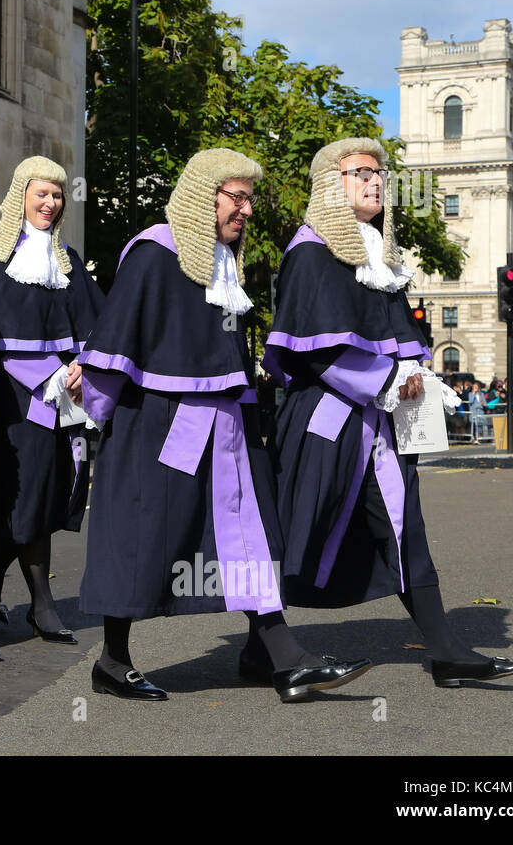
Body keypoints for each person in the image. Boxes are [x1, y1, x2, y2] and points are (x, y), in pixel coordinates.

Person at [78, 148, 369, 702]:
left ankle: (283, 657)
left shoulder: (222, 261)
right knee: (145, 539)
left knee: (249, 537)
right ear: (200, 196)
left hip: (229, 425)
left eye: (250, 198)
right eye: (237, 196)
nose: (248, 209)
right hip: (161, 426)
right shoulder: (153, 252)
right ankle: (113, 662)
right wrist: (92, 399)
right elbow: (117, 335)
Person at [263, 137, 513, 688]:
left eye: (379, 173)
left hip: (381, 425)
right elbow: (321, 348)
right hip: (325, 422)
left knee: (404, 529)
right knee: (291, 530)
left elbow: (398, 336)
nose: (375, 181)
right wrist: (387, 379)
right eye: (360, 172)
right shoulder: (310, 252)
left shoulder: (377, 254)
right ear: (330, 184)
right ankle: (264, 645)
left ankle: (446, 649)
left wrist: (420, 376)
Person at [0, 156, 104, 644]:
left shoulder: (68, 260)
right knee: (26, 492)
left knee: (51, 490)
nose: (50, 203)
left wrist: (83, 365)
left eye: (57, 195)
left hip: (62, 398)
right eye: (41, 194)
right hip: (12, 400)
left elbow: (97, 324)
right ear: (20, 196)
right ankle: (41, 606)